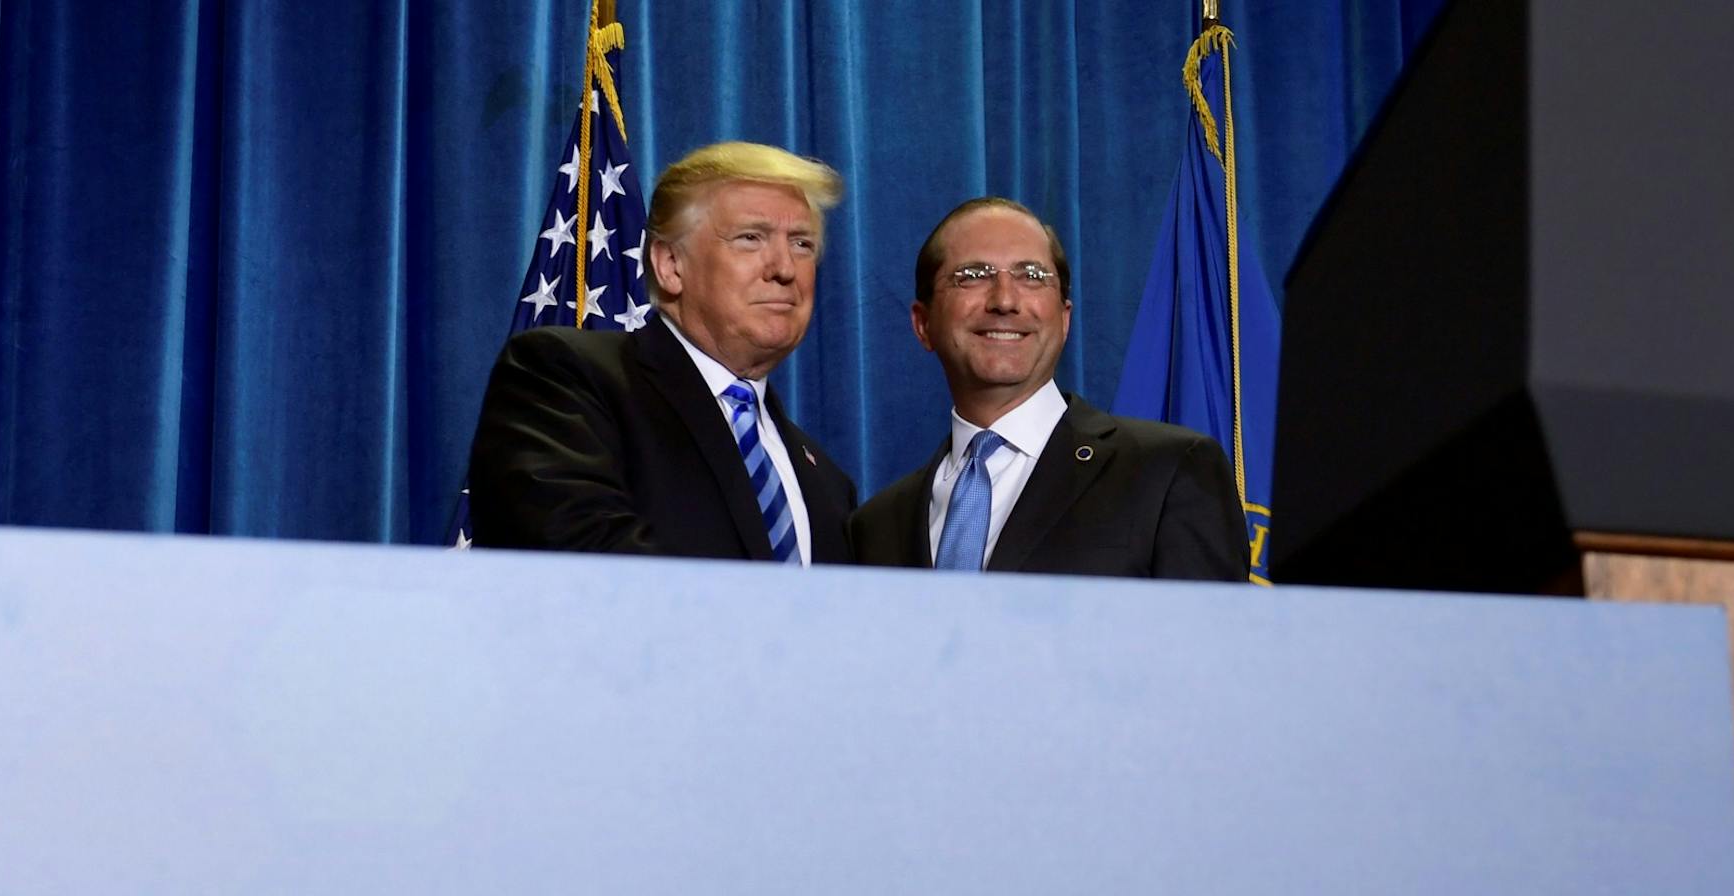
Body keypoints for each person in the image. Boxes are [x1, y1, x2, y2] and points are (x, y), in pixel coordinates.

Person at [468, 142, 855, 563]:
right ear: (671, 264)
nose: (784, 268)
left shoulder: (830, 487)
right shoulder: (564, 378)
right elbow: (576, 557)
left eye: (802, 244)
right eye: (751, 238)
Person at [850, 197, 1247, 580]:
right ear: (923, 324)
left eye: (1032, 277)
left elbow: (1211, 645)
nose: (1005, 300)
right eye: (973, 276)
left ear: (1064, 319)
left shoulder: (1169, 470)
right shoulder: (875, 526)